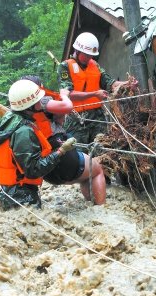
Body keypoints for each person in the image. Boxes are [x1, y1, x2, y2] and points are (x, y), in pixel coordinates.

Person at [0, 79, 77, 210]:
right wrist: (61, 151)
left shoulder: (9, 122)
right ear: (29, 105)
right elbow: (33, 170)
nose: (40, 102)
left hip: (9, 193)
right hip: (22, 196)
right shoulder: (23, 132)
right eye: (37, 100)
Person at [21, 75, 106, 204]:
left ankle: (91, 203)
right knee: (97, 169)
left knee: (87, 169)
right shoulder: (42, 102)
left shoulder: (17, 113)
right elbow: (67, 107)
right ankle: (101, 209)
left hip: (45, 170)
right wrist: (64, 95)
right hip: (64, 161)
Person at [57, 32, 137, 145]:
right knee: (81, 154)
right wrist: (94, 94)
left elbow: (110, 83)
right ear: (78, 51)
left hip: (97, 118)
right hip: (76, 120)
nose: (90, 57)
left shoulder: (94, 65)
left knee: (103, 150)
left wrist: (127, 84)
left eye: (91, 55)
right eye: (87, 55)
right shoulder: (65, 67)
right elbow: (68, 94)